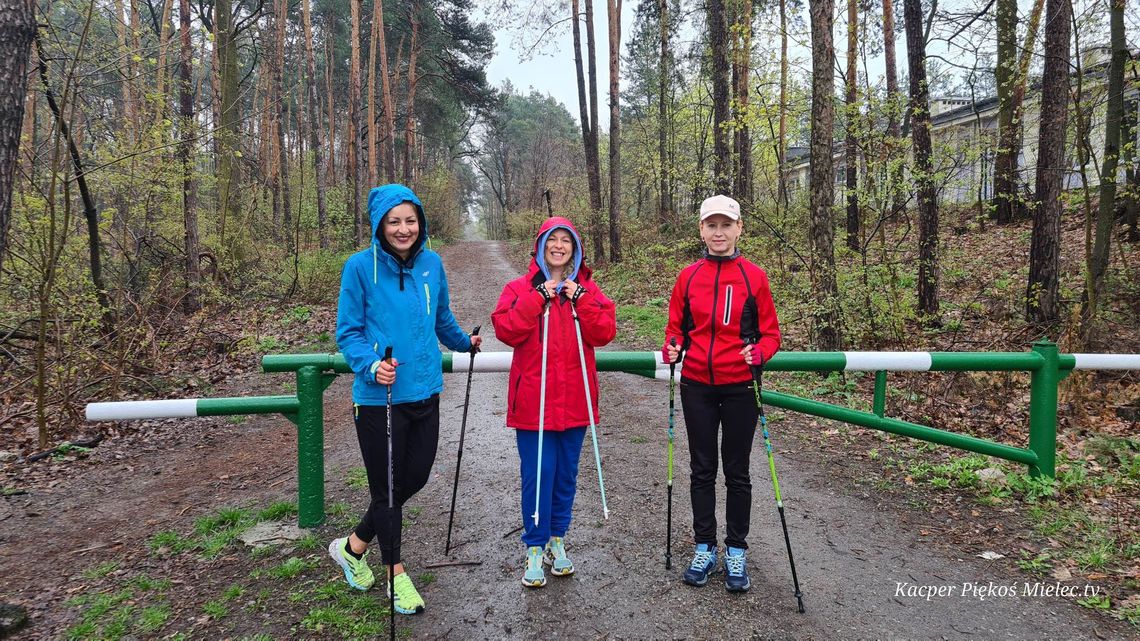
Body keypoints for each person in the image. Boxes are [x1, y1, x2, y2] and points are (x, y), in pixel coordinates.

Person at [329, 183, 482, 614]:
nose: (403, 229)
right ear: (379, 225)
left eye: (409, 220)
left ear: (421, 222)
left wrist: (462, 341)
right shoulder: (359, 268)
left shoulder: (432, 263)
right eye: (393, 221)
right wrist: (371, 364)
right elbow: (349, 333)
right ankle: (396, 574)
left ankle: (353, 546)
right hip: (380, 399)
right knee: (388, 490)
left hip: (425, 390)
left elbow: (442, 318)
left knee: (412, 477)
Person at [661, 194, 781, 593]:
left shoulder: (754, 277)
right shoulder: (688, 277)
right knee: (701, 469)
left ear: (739, 229)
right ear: (701, 230)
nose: (719, 232)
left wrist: (760, 352)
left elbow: (771, 334)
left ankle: (736, 550)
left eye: (725, 225)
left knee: (738, 472)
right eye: (711, 225)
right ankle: (704, 546)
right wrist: (672, 346)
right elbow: (675, 327)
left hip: (741, 388)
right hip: (696, 385)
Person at [491, 216, 616, 588]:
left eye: (566, 241)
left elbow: (605, 332)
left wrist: (580, 299)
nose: (559, 246)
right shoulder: (519, 288)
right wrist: (539, 296)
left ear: (575, 249)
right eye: (552, 240)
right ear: (541, 246)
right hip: (533, 404)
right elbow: (507, 329)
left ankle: (557, 539)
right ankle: (534, 544)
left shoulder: (588, 290)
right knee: (537, 475)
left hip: (575, 401)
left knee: (565, 477)